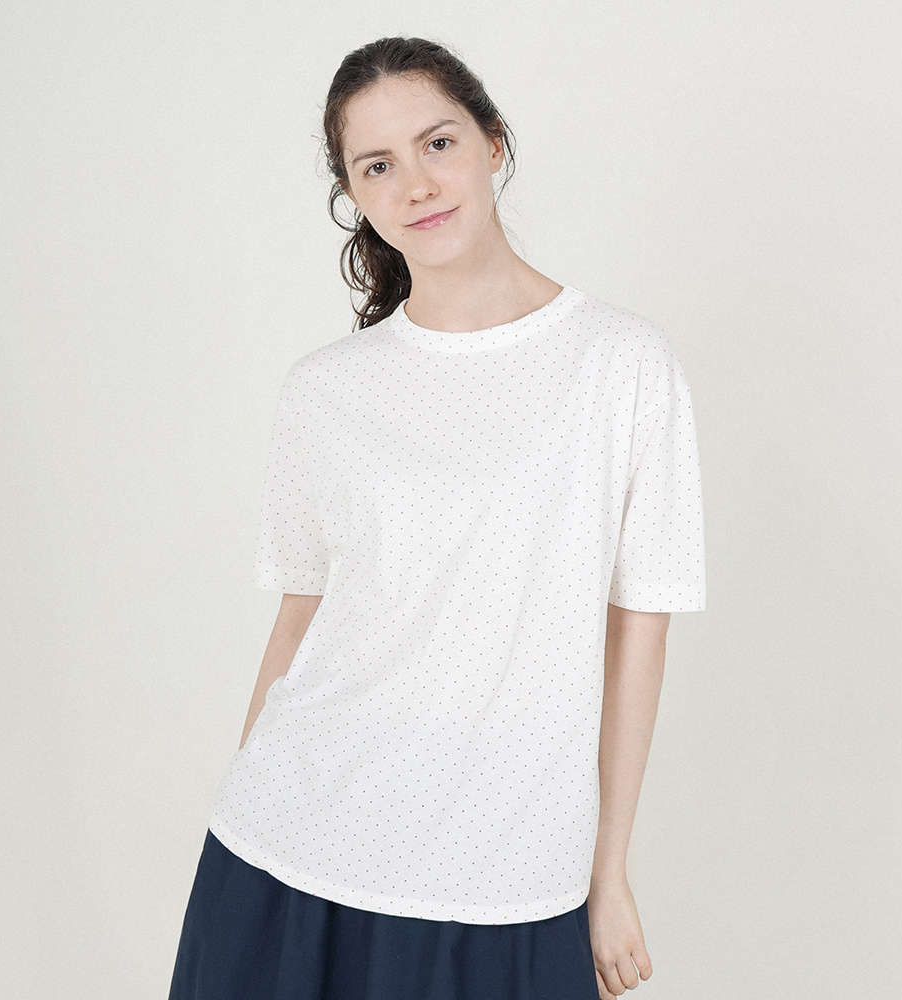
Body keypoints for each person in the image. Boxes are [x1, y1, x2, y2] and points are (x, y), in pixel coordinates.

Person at [169, 36, 705, 1000]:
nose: (416, 183)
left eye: (438, 143)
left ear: (493, 142)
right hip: (291, 849)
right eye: (377, 165)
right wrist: (243, 794)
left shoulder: (621, 365)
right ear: (353, 193)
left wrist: (609, 871)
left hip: (509, 876)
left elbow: (640, 629)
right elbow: (300, 621)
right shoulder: (326, 390)